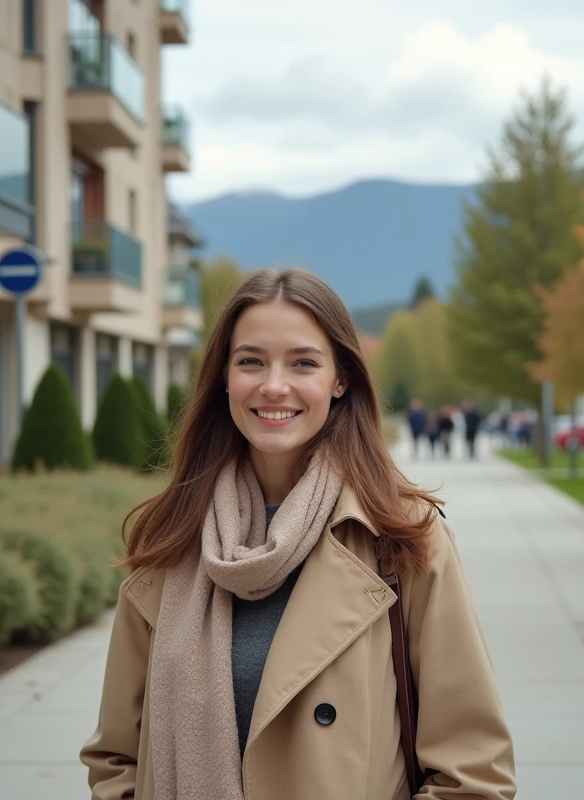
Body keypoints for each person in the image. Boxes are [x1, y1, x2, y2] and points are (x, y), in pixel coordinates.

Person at [80, 269, 516, 800]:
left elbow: (471, 770)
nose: (273, 385)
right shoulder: (172, 534)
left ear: (341, 380)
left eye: (303, 363)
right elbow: (116, 757)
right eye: (251, 361)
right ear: (223, 377)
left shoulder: (402, 536)